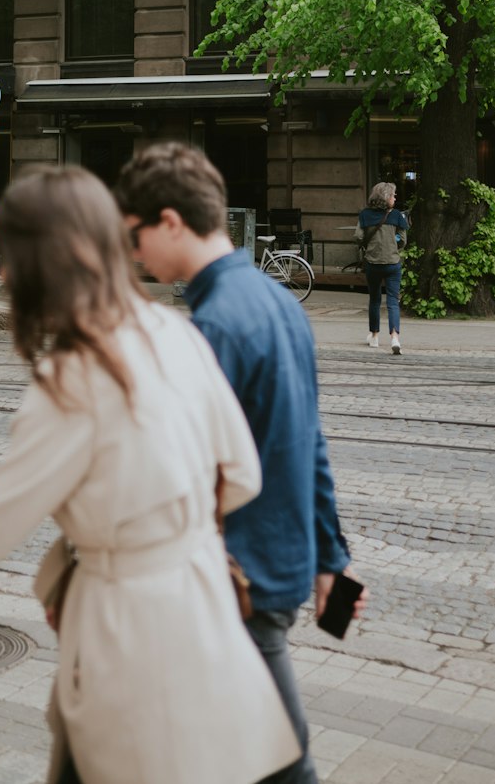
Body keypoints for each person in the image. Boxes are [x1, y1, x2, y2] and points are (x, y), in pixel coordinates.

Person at [0, 165, 300, 784]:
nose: (4, 275)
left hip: (128, 626)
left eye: (9, 257)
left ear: (42, 264)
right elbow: (243, 473)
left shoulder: (72, 381)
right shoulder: (172, 330)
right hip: (202, 606)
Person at [114, 143, 363, 784]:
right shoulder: (280, 302)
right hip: (276, 563)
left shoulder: (213, 326)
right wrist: (331, 557)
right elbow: (310, 440)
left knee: (279, 759)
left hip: (234, 580)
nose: (136, 254)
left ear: (170, 222)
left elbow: (182, 474)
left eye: (137, 236)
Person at [355, 181, 410, 355]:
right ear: (386, 197)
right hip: (393, 264)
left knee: (375, 300)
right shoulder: (397, 216)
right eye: (393, 195)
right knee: (393, 301)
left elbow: (358, 236)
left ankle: (374, 337)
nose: (395, 197)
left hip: (373, 263)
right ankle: (395, 338)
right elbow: (403, 240)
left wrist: (369, 245)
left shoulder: (364, 215)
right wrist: (394, 247)